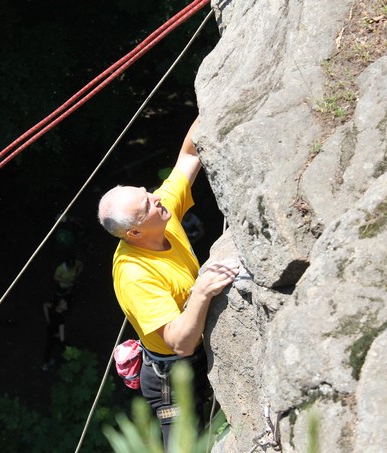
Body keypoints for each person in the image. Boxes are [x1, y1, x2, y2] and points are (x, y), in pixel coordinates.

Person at [97, 117, 239, 448]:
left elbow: (189, 157)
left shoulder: (161, 216)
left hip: (191, 350)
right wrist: (202, 291)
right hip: (171, 375)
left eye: (148, 192)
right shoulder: (134, 274)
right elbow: (180, 343)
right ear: (134, 233)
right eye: (146, 203)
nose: (155, 198)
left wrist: (208, 106)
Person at [41, 298, 67, 371]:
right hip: (54, 334)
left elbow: (45, 305)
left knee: (49, 347)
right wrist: (59, 335)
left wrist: (48, 319)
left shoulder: (53, 307)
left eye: (65, 302)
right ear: (58, 306)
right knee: (63, 345)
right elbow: (62, 338)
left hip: (49, 330)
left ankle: (46, 363)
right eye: (63, 304)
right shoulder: (61, 319)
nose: (65, 304)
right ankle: (72, 356)